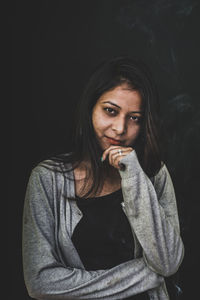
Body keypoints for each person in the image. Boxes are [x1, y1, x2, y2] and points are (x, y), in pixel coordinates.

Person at [22, 56, 184, 300]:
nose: (120, 128)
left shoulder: (152, 172)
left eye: (135, 118)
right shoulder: (47, 180)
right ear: (90, 109)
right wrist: (145, 275)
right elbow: (41, 282)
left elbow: (168, 262)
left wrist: (133, 173)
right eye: (110, 111)